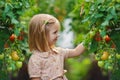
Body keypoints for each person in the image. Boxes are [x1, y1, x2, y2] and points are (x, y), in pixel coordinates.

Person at [28, 14, 86, 80]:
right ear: (42, 35)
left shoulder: (58, 52)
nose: (58, 35)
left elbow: (76, 52)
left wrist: (88, 40)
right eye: (55, 32)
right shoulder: (35, 59)